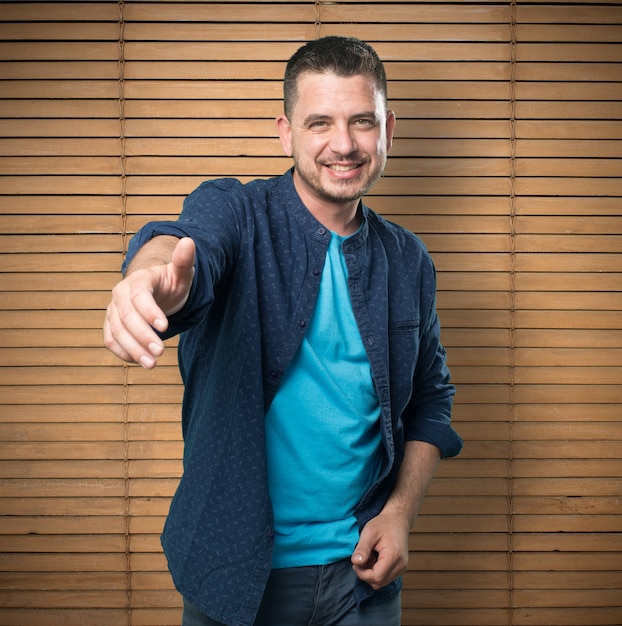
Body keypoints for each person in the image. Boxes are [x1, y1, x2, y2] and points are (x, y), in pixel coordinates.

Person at [104, 36, 463, 626]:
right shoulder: (237, 214)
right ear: (285, 131)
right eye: (319, 122)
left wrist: (400, 512)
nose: (343, 145)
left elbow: (430, 399)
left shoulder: (408, 260)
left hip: (363, 582)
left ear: (388, 130)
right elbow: (187, 242)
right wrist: (150, 275)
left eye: (361, 122)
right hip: (235, 575)